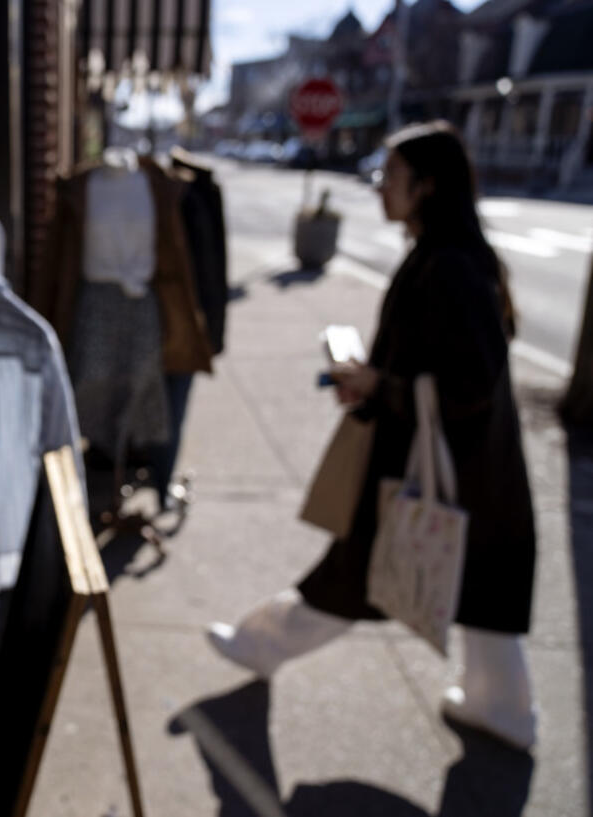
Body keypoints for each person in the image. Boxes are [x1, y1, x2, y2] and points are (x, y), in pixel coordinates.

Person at [206, 121, 539, 750]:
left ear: (427, 185)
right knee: (482, 592)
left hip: (434, 466)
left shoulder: (451, 265)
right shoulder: (451, 255)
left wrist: (377, 383)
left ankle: (258, 644)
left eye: (391, 176)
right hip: (467, 471)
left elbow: (467, 383)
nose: (380, 187)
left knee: (355, 574)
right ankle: (505, 709)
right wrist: (375, 380)